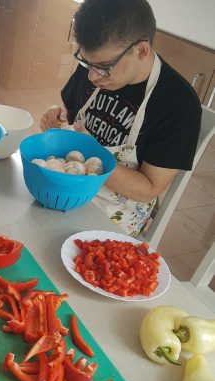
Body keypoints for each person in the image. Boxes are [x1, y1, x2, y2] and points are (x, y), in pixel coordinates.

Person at [40, 0, 201, 237]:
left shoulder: (178, 104)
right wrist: (57, 115)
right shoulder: (95, 66)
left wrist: (91, 153)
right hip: (64, 189)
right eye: (87, 62)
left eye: (104, 66)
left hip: (111, 218)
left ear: (141, 50)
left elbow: (149, 189)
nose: (93, 76)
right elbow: (71, 116)